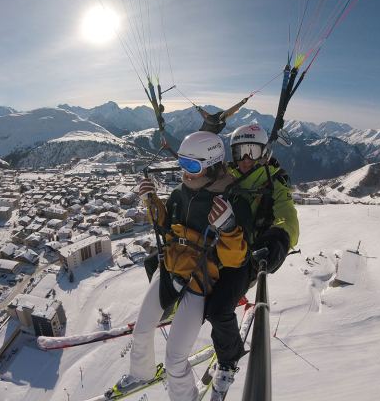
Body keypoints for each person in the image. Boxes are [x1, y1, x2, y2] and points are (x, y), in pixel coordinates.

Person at [113, 131, 252, 401]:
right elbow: (167, 227)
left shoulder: (232, 200)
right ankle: (142, 372)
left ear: (211, 165)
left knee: (176, 359)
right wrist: (152, 202)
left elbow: (237, 260)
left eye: (192, 165)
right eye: (182, 163)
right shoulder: (181, 192)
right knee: (141, 332)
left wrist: (229, 227)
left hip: (200, 279)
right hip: (170, 267)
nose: (185, 173)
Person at [205, 124, 299, 399]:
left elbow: (286, 214)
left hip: (248, 255)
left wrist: (278, 239)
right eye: (240, 152)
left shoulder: (274, 182)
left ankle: (229, 358)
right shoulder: (224, 175)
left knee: (219, 308)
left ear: (264, 153)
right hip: (217, 245)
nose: (246, 159)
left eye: (252, 151)